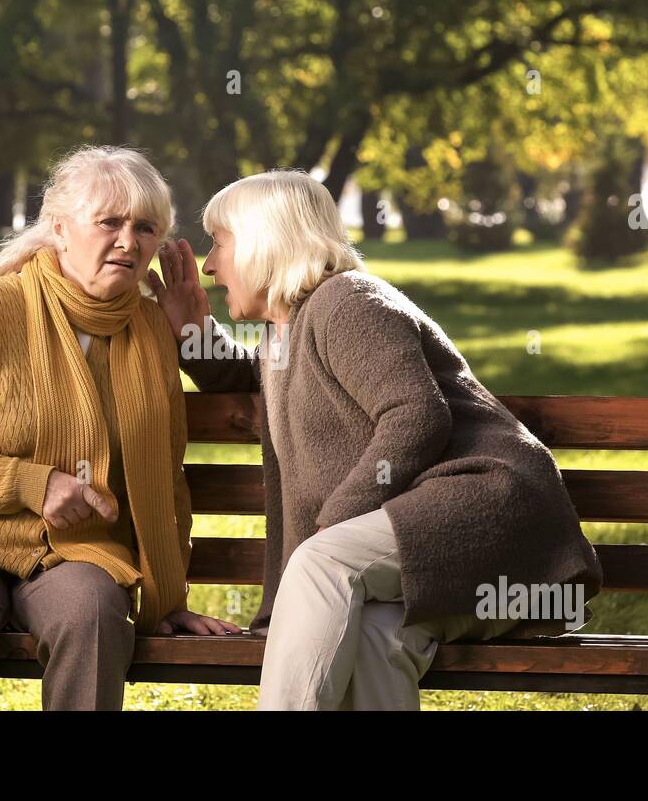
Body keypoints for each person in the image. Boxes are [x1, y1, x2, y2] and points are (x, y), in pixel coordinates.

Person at [149, 169, 602, 710]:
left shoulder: (348, 303)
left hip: (489, 508)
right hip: (446, 554)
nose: (209, 265)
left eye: (220, 244)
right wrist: (189, 330)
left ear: (265, 242)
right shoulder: (286, 334)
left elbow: (415, 415)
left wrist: (333, 523)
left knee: (323, 563)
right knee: (374, 637)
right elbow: (254, 379)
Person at [0, 145, 240, 712]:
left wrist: (165, 595)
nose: (128, 241)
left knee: (93, 619)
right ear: (60, 229)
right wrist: (32, 484)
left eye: (145, 227)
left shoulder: (152, 329)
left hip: (74, 551)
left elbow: (164, 476)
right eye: (110, 222)